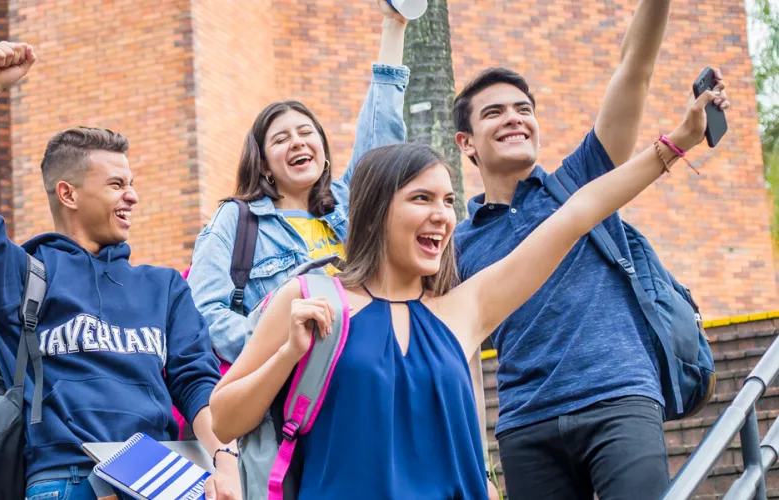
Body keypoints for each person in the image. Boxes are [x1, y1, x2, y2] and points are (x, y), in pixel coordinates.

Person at [208, 72, 728, 498]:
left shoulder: (465, 308)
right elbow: (226, 419)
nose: (442, 215)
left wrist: (677, 142)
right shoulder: (310, 298)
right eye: (421, 199)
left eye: (449, 201)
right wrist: (287, 355)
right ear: (375, 211)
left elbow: (580, 211)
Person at [0, 42, 240, 500]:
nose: (132, 196)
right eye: (116, 184)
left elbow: (195, 383)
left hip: (159, 482)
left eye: (132, 183)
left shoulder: (164, 287)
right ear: (68, 194)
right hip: (66, 479)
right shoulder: (22, 276)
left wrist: (224, 462)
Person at [450, 2, 726, 498]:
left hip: (619, 397)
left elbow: (634, 69)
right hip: (525, 425)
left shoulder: (580, 178)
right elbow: (463, 357)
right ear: (466, 143)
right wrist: (480, 466)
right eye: (494, 113)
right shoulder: (457, 244)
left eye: (524, 110)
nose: (515, 119)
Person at [187, 0, 409, 365]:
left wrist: (394, 25)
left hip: (371, 368)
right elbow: (204, 315)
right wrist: (282, 346)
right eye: (281, 139)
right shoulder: (236, 221)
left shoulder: (347, 204)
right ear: (264, 165)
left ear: (322, 150)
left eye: (306, 133)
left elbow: (380, 133)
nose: (297, 143)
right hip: (296, 382)